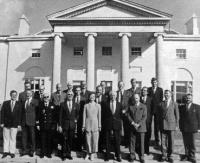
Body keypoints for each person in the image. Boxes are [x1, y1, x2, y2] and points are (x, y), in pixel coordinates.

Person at [158, 90, 179, 163]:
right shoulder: (161, 103)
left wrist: (177, 125)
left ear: (171, 95)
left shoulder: (174, 104)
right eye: (165, 94)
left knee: (171, 142)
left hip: (171, 125)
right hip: (163, 125)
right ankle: (163, 155)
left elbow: (177, 116)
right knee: (163, 142)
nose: (166, 95)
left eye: (168, 94)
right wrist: (158, 124)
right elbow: (158, 115)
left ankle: (170, 156)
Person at [59, 90, 79, 160]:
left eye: (71, 94)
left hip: (72, 125)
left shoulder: (76, 104)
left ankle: (68, 153)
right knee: (64, 140)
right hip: (65, 125)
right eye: (68, 94)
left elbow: (78, 114)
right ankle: (63, 154)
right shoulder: (62, 104)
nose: (70, 95)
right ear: (66, 95)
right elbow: (60, 116)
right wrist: (60, 126)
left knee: (70, 140)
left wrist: (76, 119)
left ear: (73, 95)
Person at [179, 93, 200, 163]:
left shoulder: (197, 107)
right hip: (184, 128)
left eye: (189, 98)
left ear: (192, 99)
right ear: (185, 99)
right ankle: (187, 155)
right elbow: (180, 118)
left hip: (193, 128)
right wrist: (180, 127)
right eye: (187, 98)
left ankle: (192, 156)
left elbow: (199, 118)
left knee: (192, 143)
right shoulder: (182, 107)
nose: (188, 99)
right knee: (186, 143)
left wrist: (199, 128)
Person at [1, 90, 21, 158]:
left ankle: (12, 152)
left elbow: (20, 115)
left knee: (13, 138)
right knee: (6, 138)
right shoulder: (5, 103)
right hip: (6, 124)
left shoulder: (19, 104)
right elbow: (2, 113)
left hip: (14, 124)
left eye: (15, 95)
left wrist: (19, 124)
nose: (14, 96)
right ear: (10, 95)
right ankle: (5, 152)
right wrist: (2, 122)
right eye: (13, 95)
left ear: (16, 95)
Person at [104, 91, 124, 162]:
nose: (113, 96)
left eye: (114, 95)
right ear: (110, 96)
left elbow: (121, 115)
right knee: (107, 140)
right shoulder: (105, 104)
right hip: (108, 124)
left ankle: (118, 155)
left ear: (116, 96)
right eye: (111, 95)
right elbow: (104, 115)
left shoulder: (119, 104)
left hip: (117, 124)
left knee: (117, 141)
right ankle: (107, 155)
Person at [36, 92, 57, 158]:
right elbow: (38, 115)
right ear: (43, 98)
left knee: (49, 140)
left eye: (47, 97)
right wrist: (38, 124)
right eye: (45, 97)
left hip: (50, 125)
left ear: (49, 98)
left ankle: (48, 153)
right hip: (42, 125)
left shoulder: (52, 105)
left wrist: (54, 125)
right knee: (42, 140)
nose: (46, 98)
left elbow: (55, 116)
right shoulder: (40, 105)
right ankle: (42, 153)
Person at [127, 93, 147, 163]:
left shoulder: (143, 106)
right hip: (132, 127)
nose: (135, 100)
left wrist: (138, 124)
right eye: (134, 98)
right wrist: (132, 123)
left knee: (141, 143)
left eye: (137, 98)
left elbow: (144, 117)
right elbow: (128, 115)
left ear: (139, 98)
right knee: (132, 142)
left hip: (141, 127)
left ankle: (141, 157)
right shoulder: (131, 106)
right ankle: (132, 156)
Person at [82, 93, 101, 161]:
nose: (92, 97)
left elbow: (99, 116)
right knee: (88, 140)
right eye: (91, 96)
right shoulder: (86, 105)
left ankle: (92, 153)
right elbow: (84, 116)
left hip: (95, 125)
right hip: (88, 124)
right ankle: (88, 153)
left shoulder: (98, 105)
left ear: (95, 97)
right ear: (89, 97)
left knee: (95, 140)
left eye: (93, 96)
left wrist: (99, 125)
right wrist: (83, 125)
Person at [20, 89, 37, 157]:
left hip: (32, 121)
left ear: (32, 94)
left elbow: (37, 111)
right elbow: (22, 112)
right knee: (24, 137)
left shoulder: (35, 101)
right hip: (24, 122)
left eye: (29, 93)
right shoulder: (24, 101)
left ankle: (32, 150)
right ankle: (24, 150)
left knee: (32, 137)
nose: (28, 94)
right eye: (27, 93)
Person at [148, 77, 163, 147]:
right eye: (153, 82)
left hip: (157, 110)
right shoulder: (149, 89)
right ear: (151, 83)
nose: (154, 83)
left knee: (157, 126)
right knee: (148, 125)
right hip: (150, 110)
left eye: (155, 82)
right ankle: (148, 139)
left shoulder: (160, 90)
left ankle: (157, 141)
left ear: (157, 83)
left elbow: (161, 100)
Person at [50, 83, 64, 154]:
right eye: (58, 87)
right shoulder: (53, 94)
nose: (59, 89)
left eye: (60, 87)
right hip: (54, 115)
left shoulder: (64, 94)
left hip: (62, 115)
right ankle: (54, 147)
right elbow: (51, 103)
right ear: (56, 88)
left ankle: (61, 147)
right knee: (54, 131)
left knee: (61, 131)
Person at [140, 86, 152, 155]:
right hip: (140, 119)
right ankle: (140, 149)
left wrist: (150, 117)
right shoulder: (139, 99)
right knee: (140, 134)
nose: (144, 92)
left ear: (147, 92)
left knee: (147, 135)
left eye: (145, 90)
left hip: (147, 120)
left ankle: (147, 150)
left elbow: (152, 109)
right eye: (143, 90)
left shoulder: (150, 99)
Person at [95, 85, 107, 152]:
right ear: (96, 90)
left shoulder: (105, 98)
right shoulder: (93, 97)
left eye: (100, 89)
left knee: (102, 133)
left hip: (103, 118)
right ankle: (96, 146)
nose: (99, 91)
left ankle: (101, 147)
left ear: (102, 90)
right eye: (98, 89)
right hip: (95, 118)